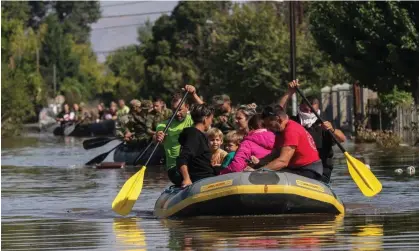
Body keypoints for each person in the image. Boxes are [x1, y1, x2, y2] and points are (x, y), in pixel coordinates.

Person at [278, 80, 346, 183]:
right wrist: (289, 92)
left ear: (318, 110)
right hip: (295, 170)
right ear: (299, 108)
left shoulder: (324, 124)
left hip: (320, 173)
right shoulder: (293, 122)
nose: (309, 113)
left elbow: (342, 138)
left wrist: (332, 130)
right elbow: (279, 112)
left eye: (311, 111)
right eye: (305, 110)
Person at [259, 107, 323, 181]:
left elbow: (283, 161)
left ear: (278, 119)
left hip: (309, 170)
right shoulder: (281, 131)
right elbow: (275, 153)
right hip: (295, 168)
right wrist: (258, 163)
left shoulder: (291, 131)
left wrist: (259, 172)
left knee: (268, 178)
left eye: (270, 125)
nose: (268, 129)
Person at [155, 85, 204, 170]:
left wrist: (194, 94)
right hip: (174, 169)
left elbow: (206, 111)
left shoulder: (193, 120)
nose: (177, 113)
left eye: (180, 110)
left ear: (187, 107)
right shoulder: (163, 125)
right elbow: (156, 137)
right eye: (174, 110)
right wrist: (157, 137)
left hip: (192, 166)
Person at [167, 103, 216, 187]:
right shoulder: (194, 135)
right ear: (205, 119)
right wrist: (186, 179)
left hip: (206, 175)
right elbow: (182, 158)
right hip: (201, 179)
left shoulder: (198, 135)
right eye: (211, 119)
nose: (211, 122)